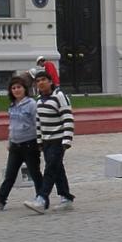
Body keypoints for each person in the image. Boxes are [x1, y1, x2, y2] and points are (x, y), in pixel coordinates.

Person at [0, 76, 44, 210]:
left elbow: (38, 123)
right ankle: (0, 199)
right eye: (13, 88)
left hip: (29, 144)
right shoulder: (12, 106)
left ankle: (42, 198)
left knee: (35, 173)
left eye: (19, 87)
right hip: (15, 145)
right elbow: (12, 125)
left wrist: (40, 142)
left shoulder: (32, 104)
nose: (16, 90)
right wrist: (9, 141)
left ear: (25, 89)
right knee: (10, 174)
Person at [24, 70, 75, 213]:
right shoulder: (39, 100)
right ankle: (66, 197)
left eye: (43, 80)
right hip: (46, 141)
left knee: (50, 169)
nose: (40, 83)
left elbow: (68, 118)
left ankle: (41, 198)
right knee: (58, 169)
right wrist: (39, 140)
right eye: (38, 80)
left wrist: (67, 138)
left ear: (50, 81)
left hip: (58, 140)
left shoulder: (59, 96)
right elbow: (38, 122)